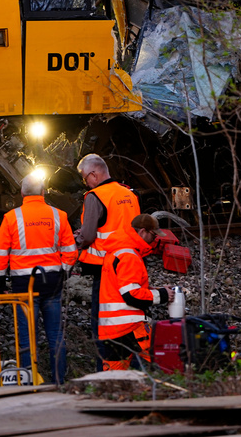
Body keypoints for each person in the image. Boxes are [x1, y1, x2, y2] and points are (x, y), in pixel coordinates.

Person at [0, 174, 77, 384]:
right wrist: (63, 273)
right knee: (55, 333)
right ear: (43, 192)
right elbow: (71, 251)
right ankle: (59, 380)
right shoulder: (59, 215)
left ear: (22, 193)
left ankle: (29, 382)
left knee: (27, 336)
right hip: (52, 283)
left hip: (23, 285)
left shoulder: (12, 218)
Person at [74, 153, 140, 368]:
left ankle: (106, 371)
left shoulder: (95, 196)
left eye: (85, 178)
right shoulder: (129, 194)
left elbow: (90, 236)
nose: (86, 183)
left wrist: (79, 238)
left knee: (104, 324)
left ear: (93, 174)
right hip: (131, 266)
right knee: (130, 319)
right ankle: (133, 367)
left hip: (105, 271)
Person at [98, 213, 177, 371]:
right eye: (153, 235)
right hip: (130, 326)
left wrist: (150, 291)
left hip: (110, 328)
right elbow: (131, 295)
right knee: (156, 367)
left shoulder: (116, 250)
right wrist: (162, 295)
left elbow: (119, 288)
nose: (155, 240)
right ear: (142, 232)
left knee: (112, 377)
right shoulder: (129, 256)